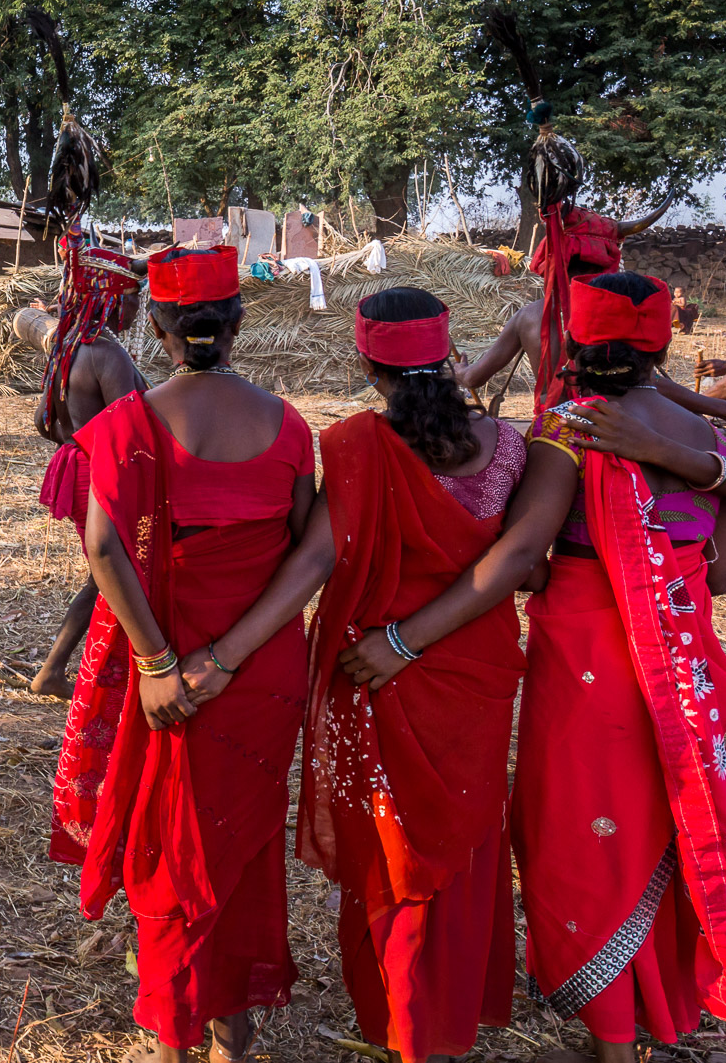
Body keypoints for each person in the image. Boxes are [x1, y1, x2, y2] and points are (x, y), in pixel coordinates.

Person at [200, 287, 568, 1062]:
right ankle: (434, 1024)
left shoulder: (356, 446)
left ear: (369, 367)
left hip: (372, 674)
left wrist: (223, 656)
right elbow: (514, 564)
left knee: (391, 849)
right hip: (474, 679)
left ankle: (401, 1018)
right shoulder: (515, 450)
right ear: (451, 352)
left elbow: (311, 562)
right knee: (461, 843)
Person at [49, 245, 313, 1063]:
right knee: (242, 844)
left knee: (173, 849)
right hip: (263, 670)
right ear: (239, 324)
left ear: (158, 328)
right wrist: (231, 656)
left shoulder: (129, 423)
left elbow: (101, 544)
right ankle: (232, 1035)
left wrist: (160, 663)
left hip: (170, 670)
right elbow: (308, 553)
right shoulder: (291, 425)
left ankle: (175, 1039)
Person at [494, 273, 726, 1063]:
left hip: (590, 661)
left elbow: (525, 556)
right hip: (689, 662)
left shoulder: (570, 430)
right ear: (662, 347)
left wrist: (411, 633)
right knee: (663, 823)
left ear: (579, 346)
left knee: (588, 834)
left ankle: (613, 1039)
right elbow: (720, 573)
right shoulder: (709, 440)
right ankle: (655, 1016)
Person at [32, 240, 147, 698]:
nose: (139, 309)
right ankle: (59, 670)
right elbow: (129, 428)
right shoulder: (107, 353)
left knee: (105, 574)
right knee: (111, 574)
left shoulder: (68, 345)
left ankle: (57, 670)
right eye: (133, 297)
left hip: (78, 461)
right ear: (110, 297)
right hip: (103, 467)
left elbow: (45, 421)